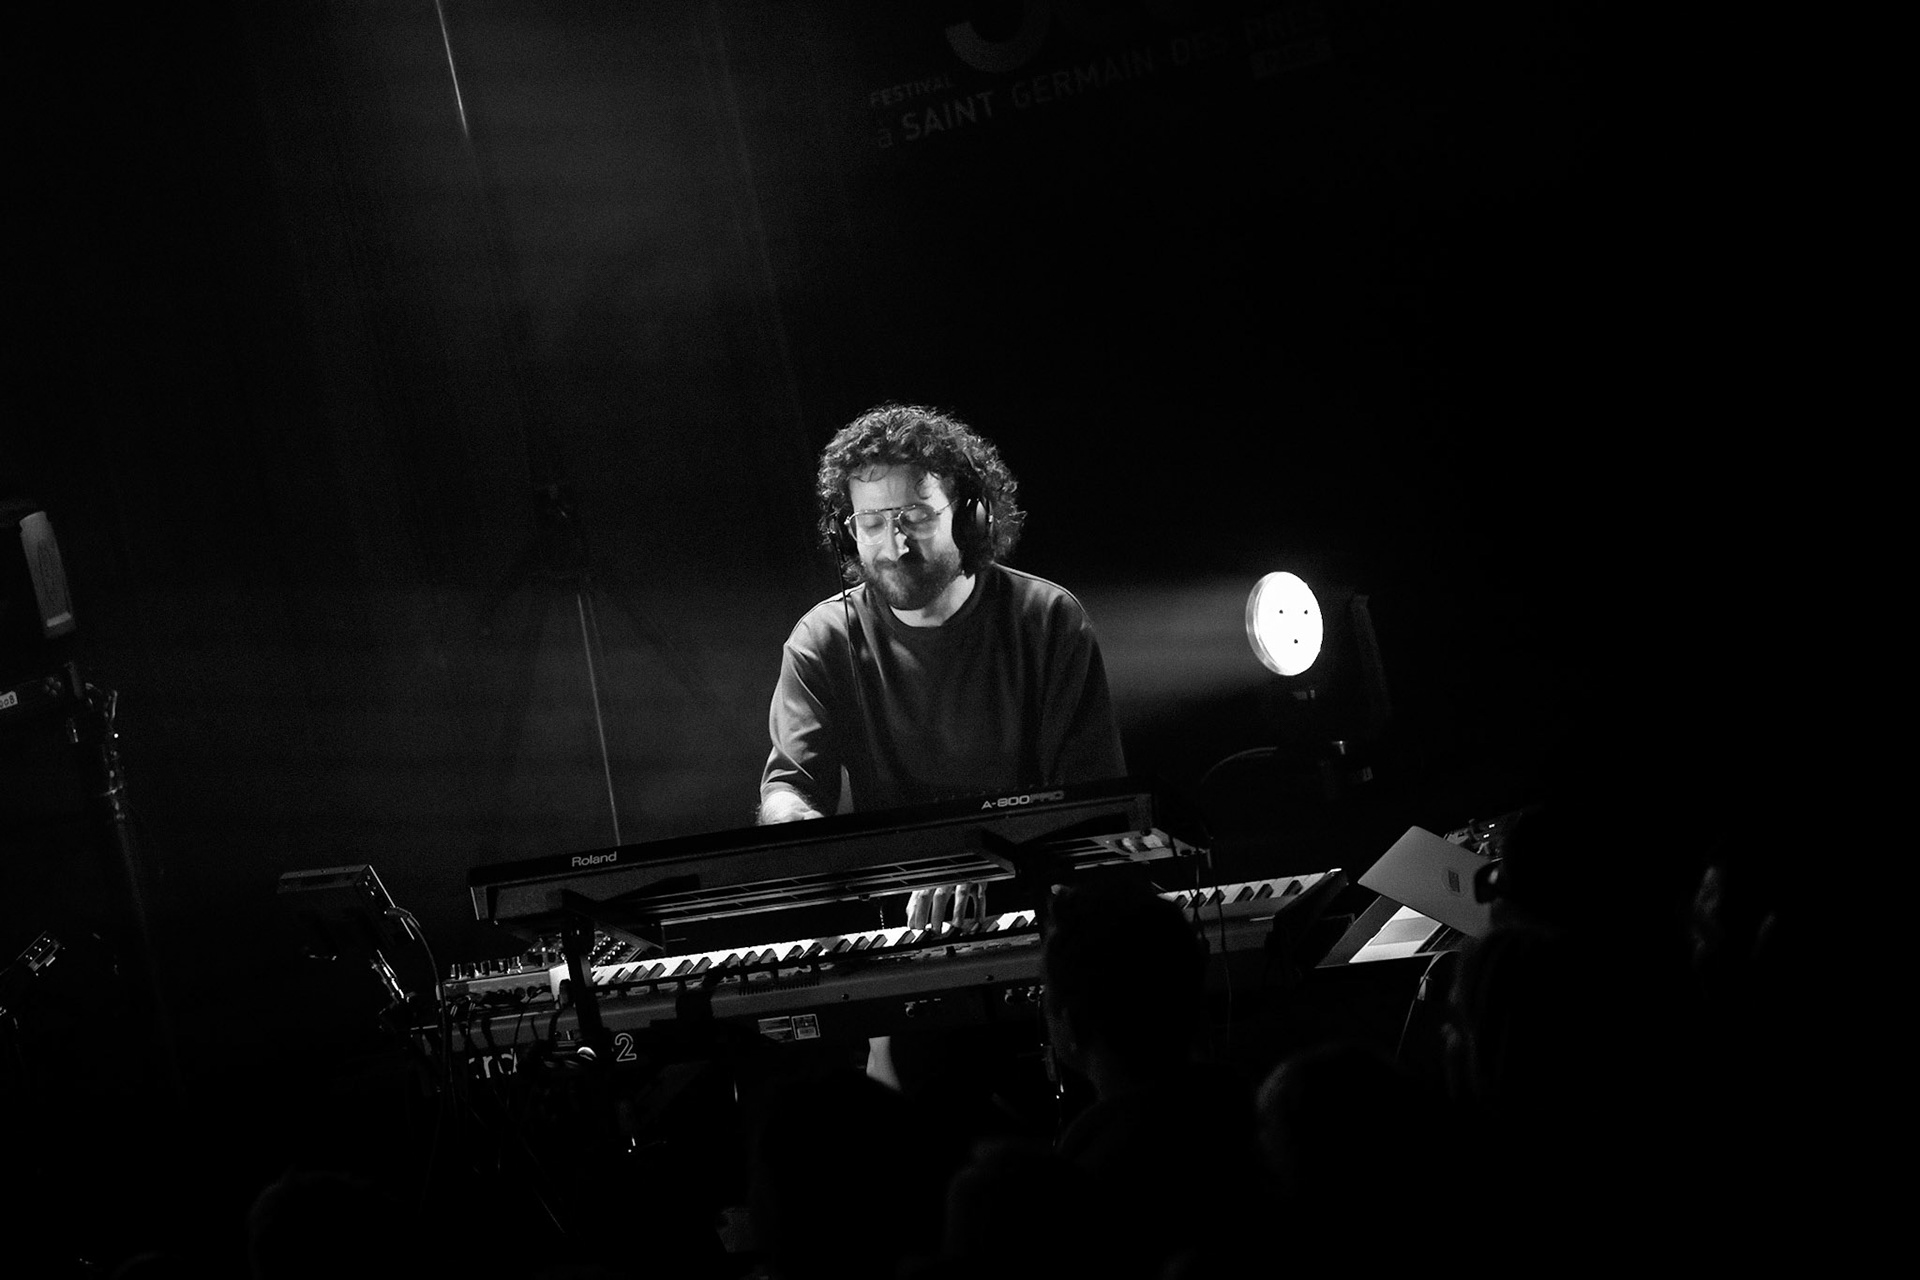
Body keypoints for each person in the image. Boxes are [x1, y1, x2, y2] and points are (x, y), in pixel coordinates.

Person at [758, 402, 1128, 921]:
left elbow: (1092, 807)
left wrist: (981, 858)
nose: (895, 545)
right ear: (847, 533)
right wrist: (791, 820)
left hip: (1045, 915)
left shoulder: (1048, 620)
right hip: (899, 929)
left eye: (916, 516)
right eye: (871, 523)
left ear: (972, 517)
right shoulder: (822, 640)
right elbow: (789, 785)